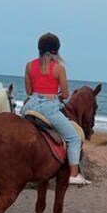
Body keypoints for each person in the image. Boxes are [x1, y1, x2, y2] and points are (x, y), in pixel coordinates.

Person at [21, 33, 91, 186]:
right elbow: (65, 95)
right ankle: (74, 175)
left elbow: (28, 91)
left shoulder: (29, 65)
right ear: (56, 50)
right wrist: (57, 96)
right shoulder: (59, 68)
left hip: (30, 106)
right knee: (73, 138)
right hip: (49, 107)